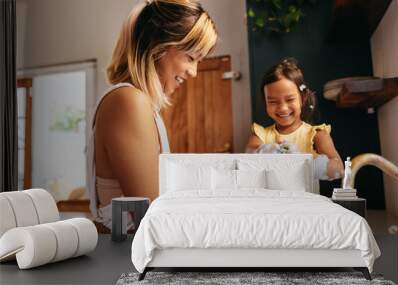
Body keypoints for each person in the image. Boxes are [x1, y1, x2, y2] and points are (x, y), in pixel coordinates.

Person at [87, 0, 218, 231]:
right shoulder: (129, 101)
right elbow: (153, 212)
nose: (194, 72)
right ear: (158, 46)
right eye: (190, 57)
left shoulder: (141, 105)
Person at [246, 58, 343, 188]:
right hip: (270, 206)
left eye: (290, 99)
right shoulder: (260, 136)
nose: (283, 108)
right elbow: (248, 156)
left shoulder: (317, 136)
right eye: (273, 102)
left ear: (302, 98)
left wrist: (307, 164)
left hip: (305, 206)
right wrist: (266, 152)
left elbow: (339, 169)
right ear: (265, 103)